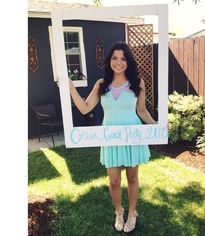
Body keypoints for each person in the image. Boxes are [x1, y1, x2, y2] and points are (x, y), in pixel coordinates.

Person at [69, 41, 156, 233]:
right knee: (114, 180)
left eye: (123, 58)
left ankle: (132, 212)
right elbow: (85, 107)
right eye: (115, 58)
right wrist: (70, 87)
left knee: (132, 177)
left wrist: (157, 128)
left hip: (132, 134)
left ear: (128, 61)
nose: (119, 62)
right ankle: (119, 211)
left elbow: (141, 111)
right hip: (110, 135)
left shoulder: (137, 82)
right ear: (109, 60)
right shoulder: (102, 85)